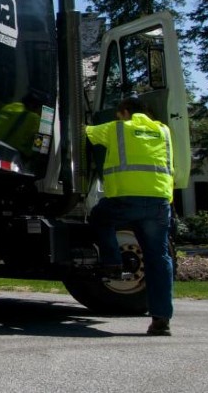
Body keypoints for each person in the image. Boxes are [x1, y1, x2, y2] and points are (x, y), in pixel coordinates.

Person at [85, 96, 175, 336]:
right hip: (159, 203)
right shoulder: (163, 131)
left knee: (100, 217)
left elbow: (84, 132)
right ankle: (161, 319)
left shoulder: (118, 128)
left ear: (123, 112)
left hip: (125, 200)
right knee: (159, 258)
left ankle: (113, 262)